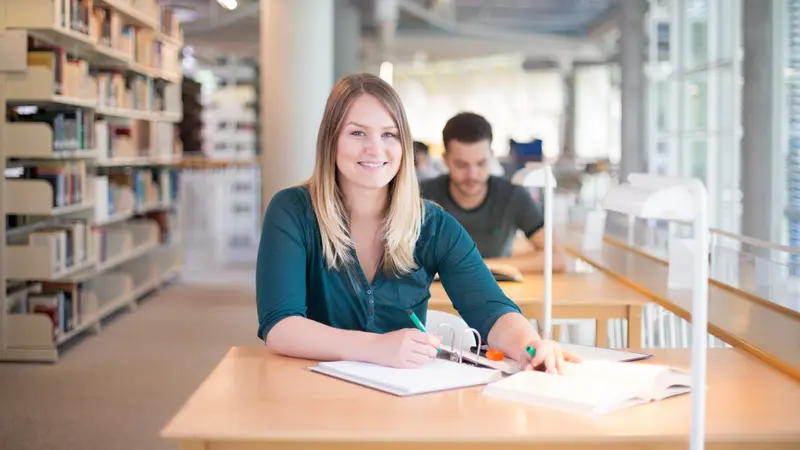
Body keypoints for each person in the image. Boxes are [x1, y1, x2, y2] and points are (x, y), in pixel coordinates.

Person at [256, 74, 578, 372]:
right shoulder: (293, 210)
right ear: (331, 140)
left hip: (404, 398)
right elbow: (280, 326)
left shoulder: (434, 225)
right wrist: (376, 347)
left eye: (389, 134)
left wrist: (532, 346)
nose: (375, 148)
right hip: (308, 391)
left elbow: (491, 310)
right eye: (357, 133)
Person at [420, 112, 566, 273]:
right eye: (461, 165)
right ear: (445, 160)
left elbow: (556, 258)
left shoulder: (512, 196)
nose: (472, 175)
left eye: (481, 163)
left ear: (492, 156)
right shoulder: (420, 196)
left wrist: (476, 267)